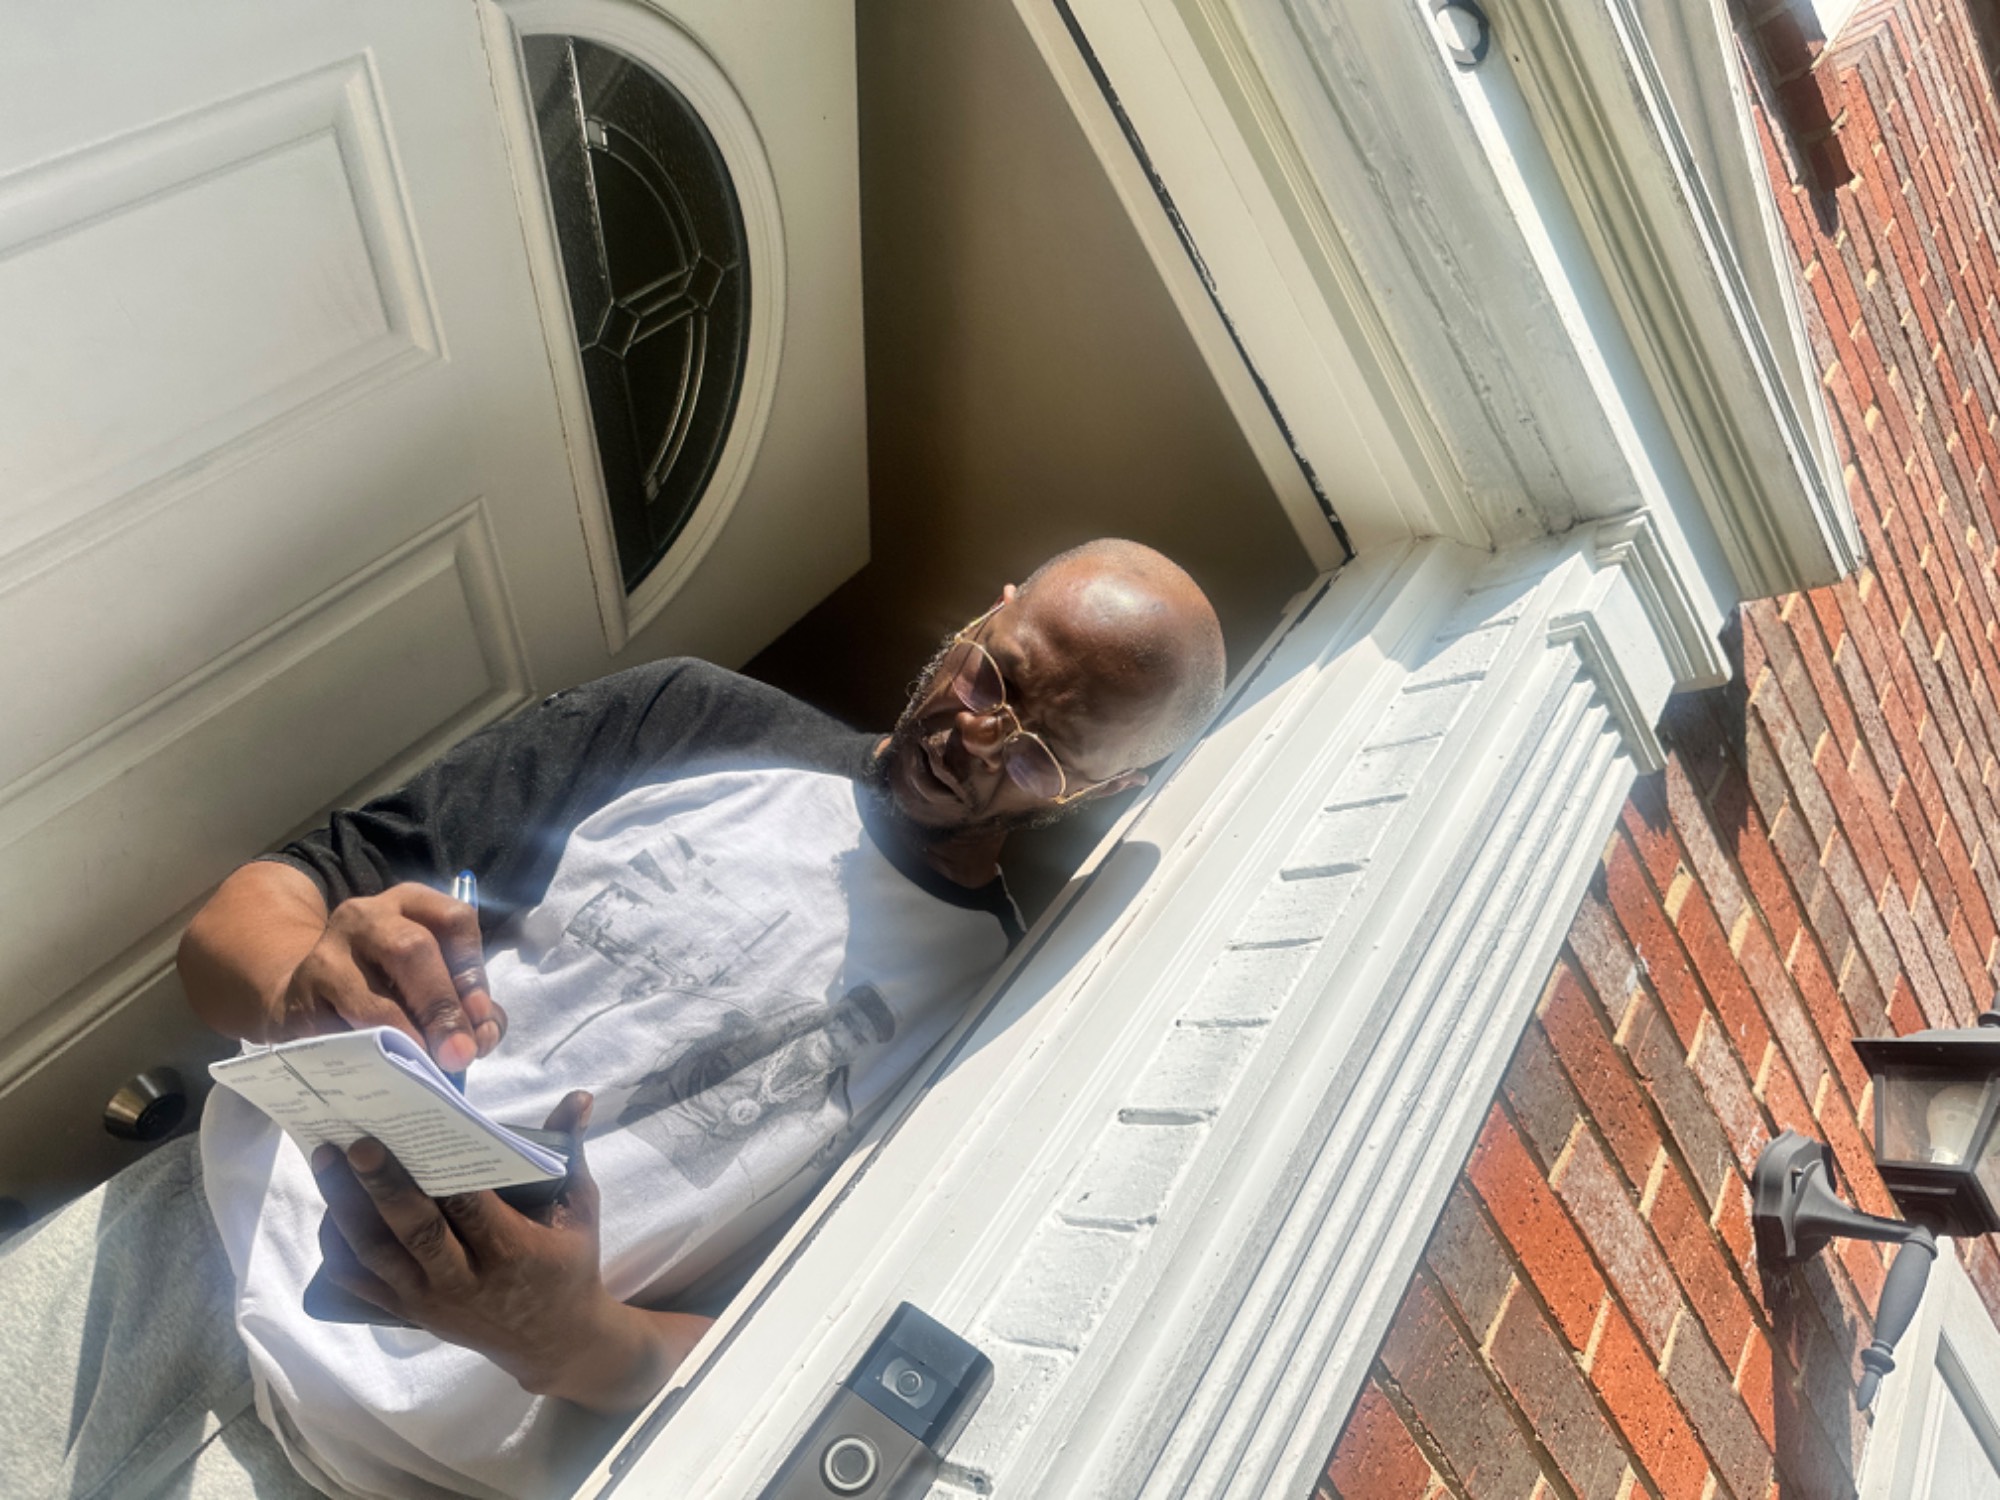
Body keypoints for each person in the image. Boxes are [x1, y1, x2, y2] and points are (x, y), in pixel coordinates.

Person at [0, 539, 1226, 1500]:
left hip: (383, 1476)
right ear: (983, 613)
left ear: (1107, 789)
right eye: (991, 674)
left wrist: (574, 1340)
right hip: (172, 1255)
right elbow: (247, 916)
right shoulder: (686, 720)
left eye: (1038, 754)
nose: (972, 737)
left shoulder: (1004, 1023)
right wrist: (297, 986)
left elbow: (809, 1355)